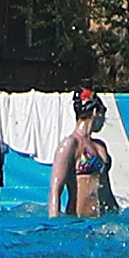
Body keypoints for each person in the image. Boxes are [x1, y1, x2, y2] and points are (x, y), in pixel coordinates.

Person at [51, 90, 118, 218]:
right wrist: (54, 224)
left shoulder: (101, 147)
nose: (103, 121)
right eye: (103, 115)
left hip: (103, 221)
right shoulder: (70, 145)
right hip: (79, 222)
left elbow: (107, 189)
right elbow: (55, 191)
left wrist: (116, 215)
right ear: (95, 112)